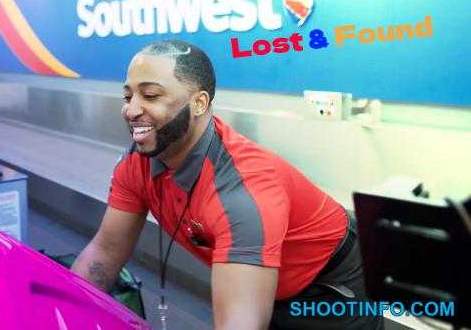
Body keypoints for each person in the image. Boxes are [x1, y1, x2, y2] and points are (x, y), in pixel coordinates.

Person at [71, 40, 383, 329]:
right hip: (260, 286)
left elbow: (240, 319)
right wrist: (62, 315)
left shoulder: (243, 189)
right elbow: (105, 251)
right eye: (128, 96)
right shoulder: (135, 164)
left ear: (199, 103)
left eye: (150, 95)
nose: (131, 109)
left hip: (329, 288)